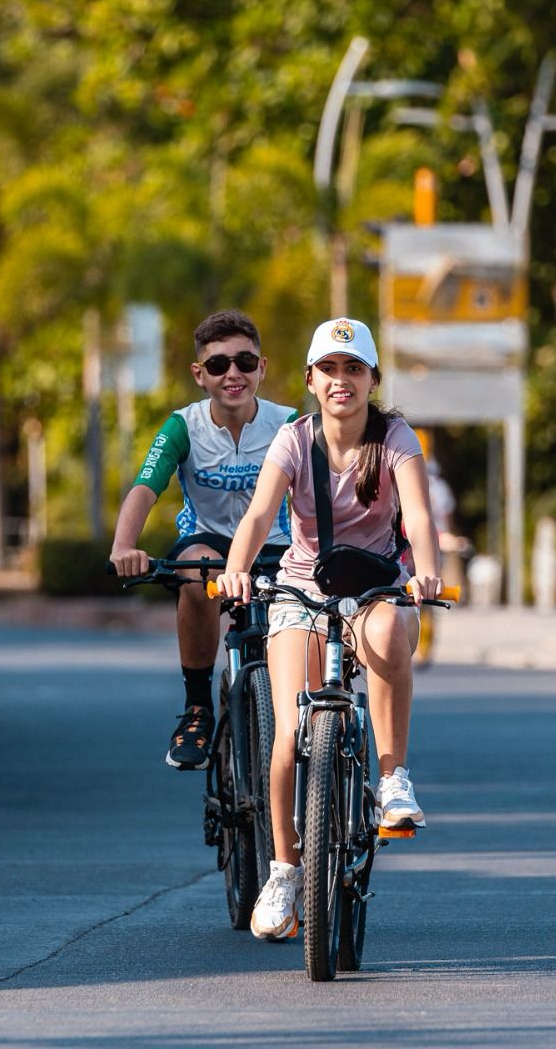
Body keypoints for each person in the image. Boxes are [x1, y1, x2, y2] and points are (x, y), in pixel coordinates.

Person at [215, 317, 443, 941]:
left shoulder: (395, 438)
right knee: (290, 730)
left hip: (374, 588)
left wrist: (426, 574)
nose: (341, 381)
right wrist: (237, 572)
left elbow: (419, 517)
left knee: (393, 630)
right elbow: (261, 514)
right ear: (310, 379)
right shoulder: (293, 440)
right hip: (302, 592)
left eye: (354, 369)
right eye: (329, 370)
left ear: (372, 379)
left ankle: (393, 777)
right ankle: (285, 870)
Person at [108, 310, 296, 769]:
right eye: (218, 365)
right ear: (199, 374)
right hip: (207, 546)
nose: (233, 374)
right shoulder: (183, 427)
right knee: (199, 568)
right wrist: (123, 546)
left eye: (245, 362)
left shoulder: (290, 424)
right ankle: (197, 708)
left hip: (274, 548)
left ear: (262, 368)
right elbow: (145, 487)